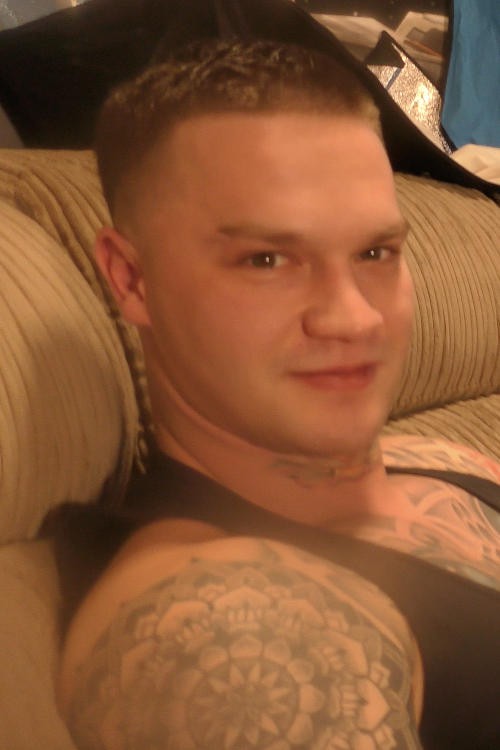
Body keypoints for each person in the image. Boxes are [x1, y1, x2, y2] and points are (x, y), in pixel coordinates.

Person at [50, 39, 499, 750]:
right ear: (132, 279)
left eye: (375, 253)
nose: (355, 318)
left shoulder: (435, 458)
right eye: (266, 259)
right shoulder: (230, 624)